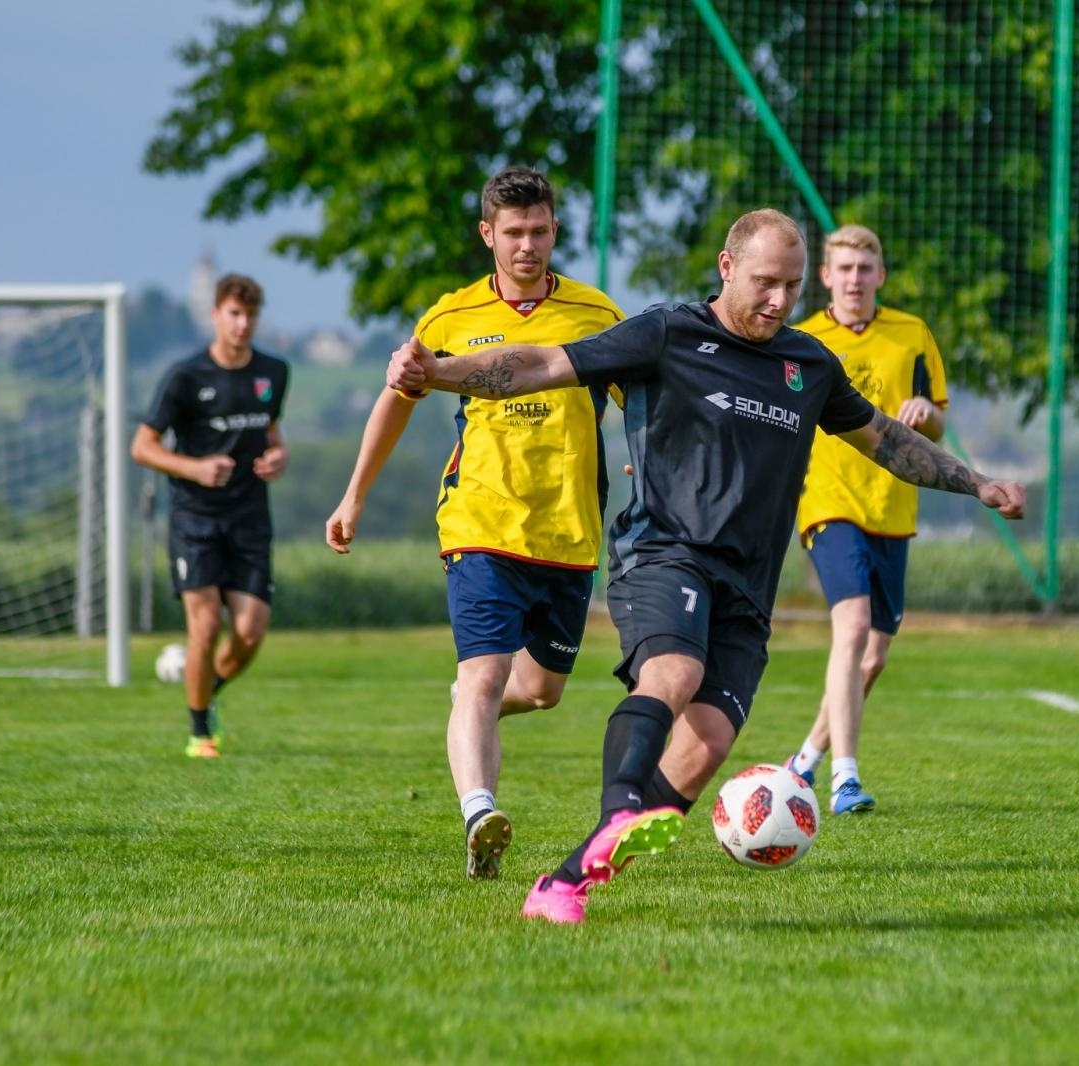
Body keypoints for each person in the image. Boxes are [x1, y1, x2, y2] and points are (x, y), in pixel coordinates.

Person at [382, 207, 1026, 925]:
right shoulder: (668, 333)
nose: (779, 300)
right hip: (665, 553)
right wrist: (439, 372)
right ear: (726, 268)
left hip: (749, 587)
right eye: (763, 282)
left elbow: (882, 440)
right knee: (675, 674)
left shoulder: (809, 364)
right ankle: (620, 801)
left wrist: (976, 484)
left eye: (791, 284)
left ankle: (563, 884)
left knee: (707, 745)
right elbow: (540, 362)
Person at [325, 166, 623, 880]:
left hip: (568, 529)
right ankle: (479, 811)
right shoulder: (449, 318)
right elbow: (398, 397)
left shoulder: (598, 317)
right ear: (487, 234)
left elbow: (639, 405)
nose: (528, 246)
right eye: (514, 233)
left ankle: (469, 713)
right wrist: (353, 494)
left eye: (540, 231)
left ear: (555, 230)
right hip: (479, 521)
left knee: (540, 691)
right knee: (485, 674)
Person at [782, 224, 948, 815]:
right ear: (825, 276)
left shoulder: (913, 336)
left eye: (865, 269)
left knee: (873, 656)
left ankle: (802, 762)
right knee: (851, 630)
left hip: (894, 507)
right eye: (843, 269)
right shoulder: (801, 340)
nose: (854, 279)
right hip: (829, 501)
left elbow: (936, 429)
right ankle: (845, 778)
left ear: (880, 274)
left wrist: (926, 413)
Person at [131, 274, 289, 759]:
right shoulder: (185, 377)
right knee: (204, 628)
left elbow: (272, 434)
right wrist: (194, 467)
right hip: (194, 518)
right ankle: (201, 733)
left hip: (249, 518)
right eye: (233, 314)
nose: (242, 324)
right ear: (215, 315)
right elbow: (142, 447)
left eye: (250, 315)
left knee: (249, 633)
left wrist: (278, 456)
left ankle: (207, 689)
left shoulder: (273, 371)